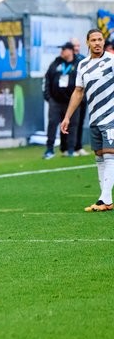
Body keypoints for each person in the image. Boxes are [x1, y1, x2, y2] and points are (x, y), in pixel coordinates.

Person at [61, 30, 114, 212]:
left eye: (100, 40)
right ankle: (106, 199)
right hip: (95, 118)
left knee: (110, 155)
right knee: (99, 156)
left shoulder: (112, 60)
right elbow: (78, 91)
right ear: (88, 43)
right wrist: (67, 116)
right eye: (94, 40)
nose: (97, 43)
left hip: (111, 117)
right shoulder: (83, 65)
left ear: (103, 41)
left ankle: (104, 199)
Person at [43, 42, 80, 159]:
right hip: (56, 101)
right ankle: (49, 150)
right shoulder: (56, 63)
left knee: (72, 125)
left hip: (72, 102)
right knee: (52, 124)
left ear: (70, 51)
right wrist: (48, 97)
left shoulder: (78, 64)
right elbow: (47, 79)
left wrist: (80, 99)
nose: (62, 52)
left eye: (64, 49)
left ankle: (70, 150)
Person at [70, 37, 90, 156]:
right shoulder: (66, 61)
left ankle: (78, 146)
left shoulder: (83, 59)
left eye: (78, 46)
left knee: (81, 121)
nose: (76, 48)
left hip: (83, 96)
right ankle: (69, 147)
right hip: (71, 97)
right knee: (72, 122)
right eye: (74, 46)